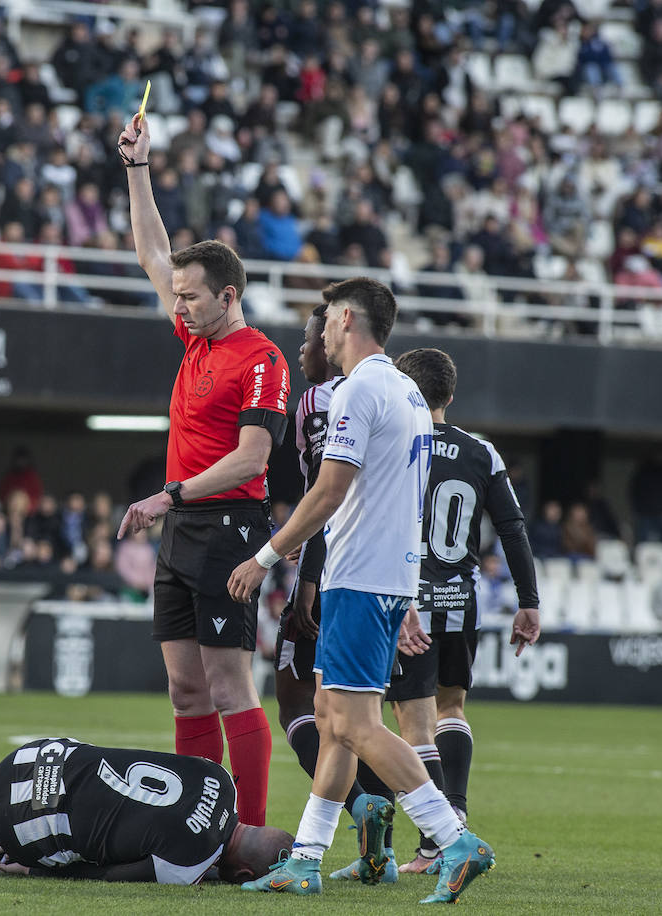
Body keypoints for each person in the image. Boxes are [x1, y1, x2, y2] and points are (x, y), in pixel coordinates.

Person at [226, 278, 494, 903]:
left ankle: (455, 840)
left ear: (347, 319)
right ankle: (306, 859)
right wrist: (406, 593)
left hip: (359, 579)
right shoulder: (407, 391)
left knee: (356, 724)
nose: (320, 331)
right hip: (385, 578)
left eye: (325, 320)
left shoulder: (359, 389)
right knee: (331, 720)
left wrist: (265, 556)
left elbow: (330, 489)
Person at [115, 113, 290, 828]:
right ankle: (201, 826)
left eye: (190, 295)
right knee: (185, 691)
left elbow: (253, 458)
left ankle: (248, 835)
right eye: (179, 295)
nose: (178, 304)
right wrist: (137, 169)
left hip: (228, 527)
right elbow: (152, 253)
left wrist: (168, 495)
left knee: (228, 688)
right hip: (182, 527)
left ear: (228, 296)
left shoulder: (262, 358)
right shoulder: (196, 337)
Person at [380, 347, 541, 876]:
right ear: (450, 395)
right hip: (461, 602)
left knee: (414, 725)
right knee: (451, 709)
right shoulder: (482, 451)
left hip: (409, 604)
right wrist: (528, 600)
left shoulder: (395, 442)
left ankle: (438, 842)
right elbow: (512, 528)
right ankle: (457, 812)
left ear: (405, 389)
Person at [272, 306, 394, 881]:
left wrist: (305, 583)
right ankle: (374, 852)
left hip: (337, 573)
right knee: (353, 715)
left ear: (333, 337)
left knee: (305, 706)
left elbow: (329, 495)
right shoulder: (391, 391)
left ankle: (427, 826)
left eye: (310, 337)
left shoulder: (326, 400)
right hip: (380, 574)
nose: (303, 348)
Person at [0, 737, 294, 884]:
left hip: (33, 756)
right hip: (26, 826)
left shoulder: (218, 775)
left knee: (69, 804)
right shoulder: (188, 865)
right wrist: (35, 871)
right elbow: (107, 876)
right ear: (242, 874)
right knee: (64, 844)